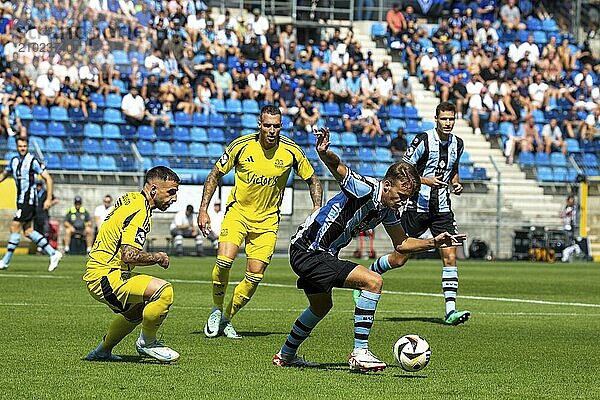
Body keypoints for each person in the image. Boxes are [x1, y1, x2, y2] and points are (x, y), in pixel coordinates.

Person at [273, 127, 464, 370]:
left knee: (321, 306)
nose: (403, 201)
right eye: (401, 195)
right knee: (373, 281)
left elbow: (402, 244)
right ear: (387, 185)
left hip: (317, 253)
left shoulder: (388, 208)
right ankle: (359, 352)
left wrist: (434, 242)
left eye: (407, 198)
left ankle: (285, 355)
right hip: (310, 250)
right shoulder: (366, 189)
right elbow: (339, 169)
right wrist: (324, 153)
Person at [198, 105, 323, 339]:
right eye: (267, 125)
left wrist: (316, 209)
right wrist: (203, 209)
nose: (272, 130)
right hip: (238, 214)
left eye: (276, 126)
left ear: (281, 127)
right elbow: (215, 173)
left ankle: (227, 318)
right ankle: (215, 310)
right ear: (259, 124)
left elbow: (313, 179)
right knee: (224, 261)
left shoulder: (291, 152)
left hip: (267, 222)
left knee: (255, 276)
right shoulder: (241, 146)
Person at [84, 166, 180, 362]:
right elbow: (128, 255)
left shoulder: (132, 199)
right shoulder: (140, 210)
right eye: (171, 192)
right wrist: (159, 257)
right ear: (153, 189)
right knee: (164, 291)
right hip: (107, 276)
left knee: (136, 312)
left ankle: (102, 352)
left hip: (101, 273)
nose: (174, 198)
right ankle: (148, 342)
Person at [394, 101, 470, 325]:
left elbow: (453, 168)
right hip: (417, 206)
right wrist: (426, 180)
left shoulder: (459, 144)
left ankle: (450, 311)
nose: (447, 123)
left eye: (451, 119)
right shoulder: (423, 140)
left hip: (442, 209)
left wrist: (456, 183)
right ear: (436, 119)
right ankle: (368, 274)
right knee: (400, 258)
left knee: (450, 255)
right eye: (444, 119)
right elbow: (403, 169)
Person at [0, 137, 62, 271]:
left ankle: (5, 261)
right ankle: (53, 253)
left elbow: (48, 179)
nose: (22, 148)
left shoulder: (33, 161)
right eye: (20, 146)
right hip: (20, 200)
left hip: (29, 200)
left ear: (28, 147)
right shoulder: (14, 161)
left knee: (14, 226)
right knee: (28, 231)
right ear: (17, 147)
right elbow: (4, 174)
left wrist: (48, 199)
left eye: (24, 146)